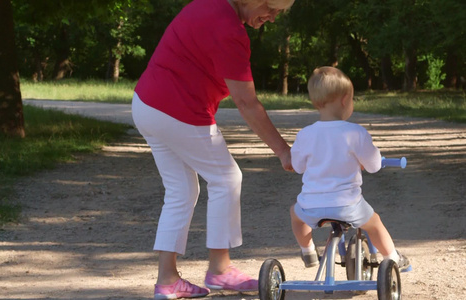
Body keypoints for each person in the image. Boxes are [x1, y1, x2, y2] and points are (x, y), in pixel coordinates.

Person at [131, 0, 295, 298]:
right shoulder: (229, 31)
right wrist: (283, 151)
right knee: (226, 178)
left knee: (181, 190)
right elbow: (247, 103)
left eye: (278, 13)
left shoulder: (206, 4)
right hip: (177, 109)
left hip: (146, 105)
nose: (271, 18)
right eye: (270, 8)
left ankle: (167, 280)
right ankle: (220, 270)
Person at [290, 66, 410, 271]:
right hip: (347, 205)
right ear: (345, 100)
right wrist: (372, 161)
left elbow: (298, 166)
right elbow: (373, 166)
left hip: (311, 206)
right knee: (374, 223)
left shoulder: (305, 134)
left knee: (295, 213)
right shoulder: (356, 133)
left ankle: (308, 251)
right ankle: (392, 258)